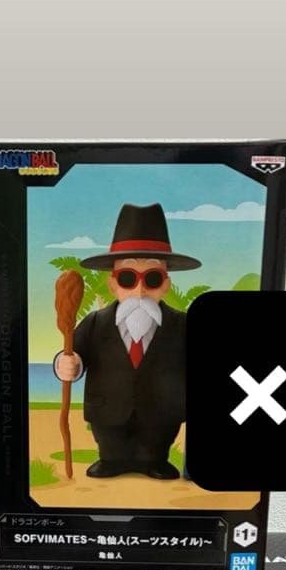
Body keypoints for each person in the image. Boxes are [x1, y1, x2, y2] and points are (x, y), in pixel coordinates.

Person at [54, 202, 201, 480]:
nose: (140, 289)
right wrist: (67, 363)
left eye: (153, 278)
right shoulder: (95, 323)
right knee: (111, 444)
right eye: (127, 277)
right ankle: (111, 460)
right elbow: (75, 353)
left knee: (156, 443)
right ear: (113, 284)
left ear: (166, 284)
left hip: (161, 414)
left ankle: (155, 461)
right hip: (107, 412)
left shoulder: (182, 325)